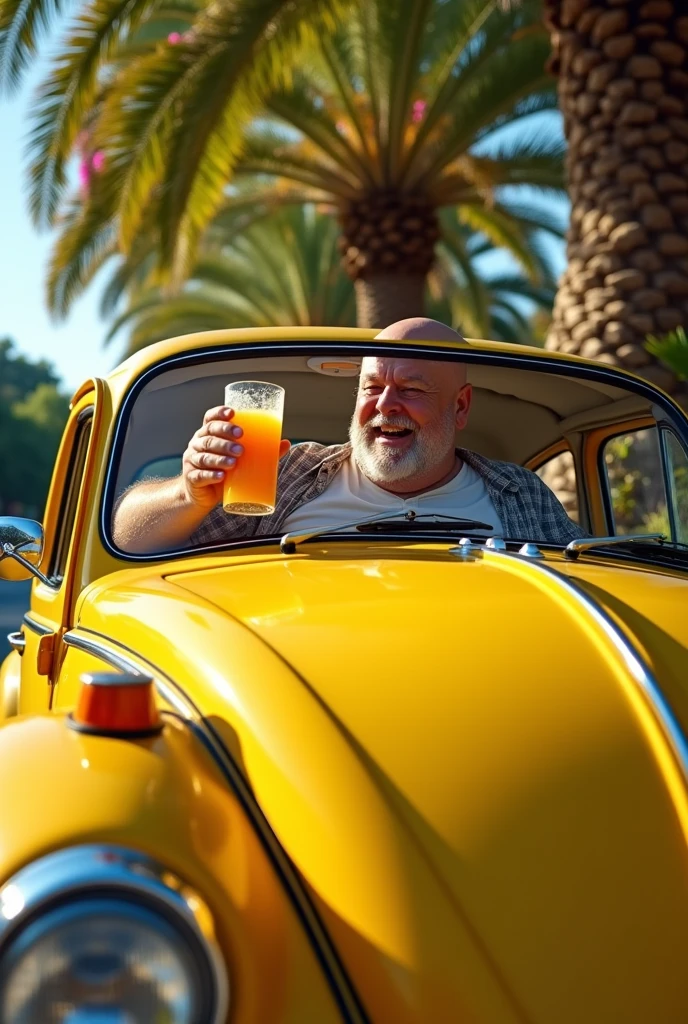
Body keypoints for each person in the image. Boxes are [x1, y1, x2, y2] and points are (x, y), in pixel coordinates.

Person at [113, 317, 585, 553]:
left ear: (459, 407)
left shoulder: (517, 493)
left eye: (411, 389)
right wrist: (189, 492)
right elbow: (128, 540)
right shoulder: (289, 475)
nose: (384, 406)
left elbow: (585, 582)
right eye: (372, 387)